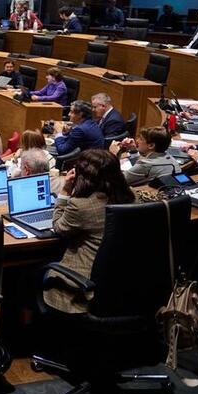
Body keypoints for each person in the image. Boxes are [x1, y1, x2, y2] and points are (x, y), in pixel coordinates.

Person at [44, 149, 135, 314]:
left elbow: (58, 227)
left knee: (29, 276)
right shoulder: (131, 197)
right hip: (123, 283)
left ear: (82, 175)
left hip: (85, 285)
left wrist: (65, 191)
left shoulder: (81, 206)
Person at [109, 126, 181, 187]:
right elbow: (149, 160)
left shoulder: (146, 165)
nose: (137, 141)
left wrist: (112, 154)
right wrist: (134, 151)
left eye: (141, 139)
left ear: (151, 145)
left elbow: (115, 180)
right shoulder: (169, 157)